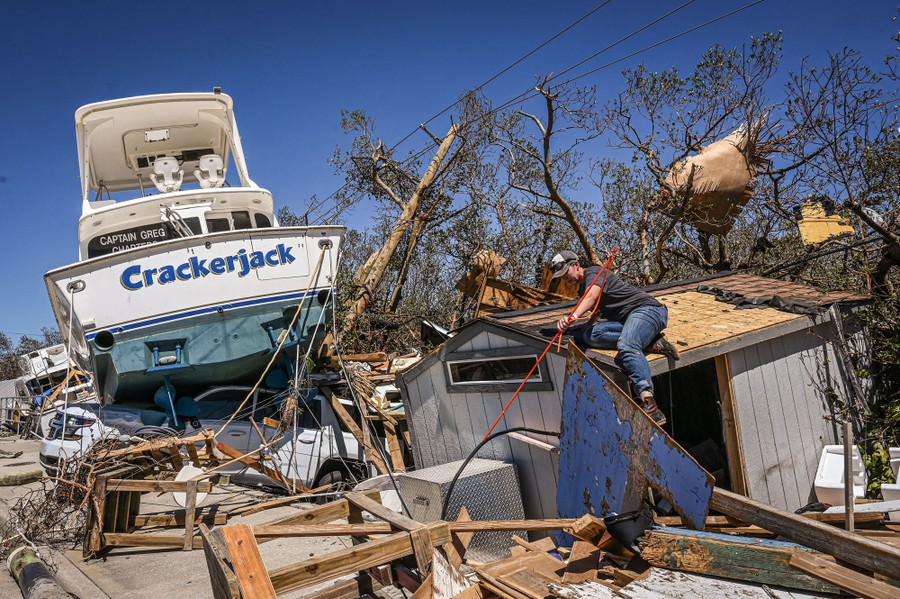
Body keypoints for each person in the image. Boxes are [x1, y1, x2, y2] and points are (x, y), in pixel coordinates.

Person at [551, 250, 679, 425]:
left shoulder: (594, 272)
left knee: (627, 345)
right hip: (628, 321)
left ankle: (651, 406)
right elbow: (596, 307)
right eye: (561, 277)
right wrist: (587, 324)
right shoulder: (584, 289)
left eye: (565, 274)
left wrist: (571, 317)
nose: (565, 279)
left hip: (648, 311)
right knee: (590, 336)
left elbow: (592, 296)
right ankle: (650, 341)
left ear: (576, 265)